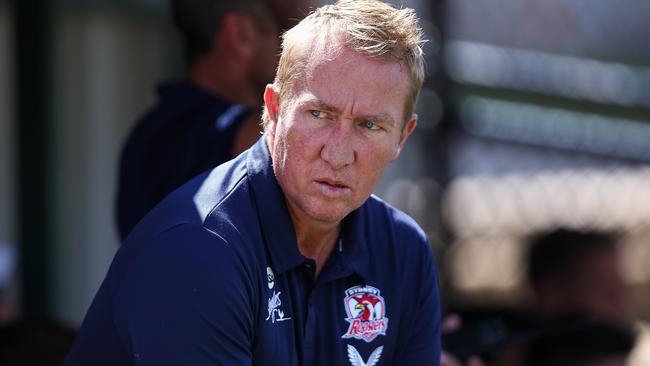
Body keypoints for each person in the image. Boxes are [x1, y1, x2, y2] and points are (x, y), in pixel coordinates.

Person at [64, 1, 442, 365]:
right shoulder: (199, 248)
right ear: (274, 110)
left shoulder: (403, 250)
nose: (339, 153)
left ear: (401, 139)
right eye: (319, 114)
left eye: (369, 125)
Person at [116, 0, 315, 240]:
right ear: (241, 35)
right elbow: (289, 136)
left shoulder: (166, 126)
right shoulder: (172, 132)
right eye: (290, 34)